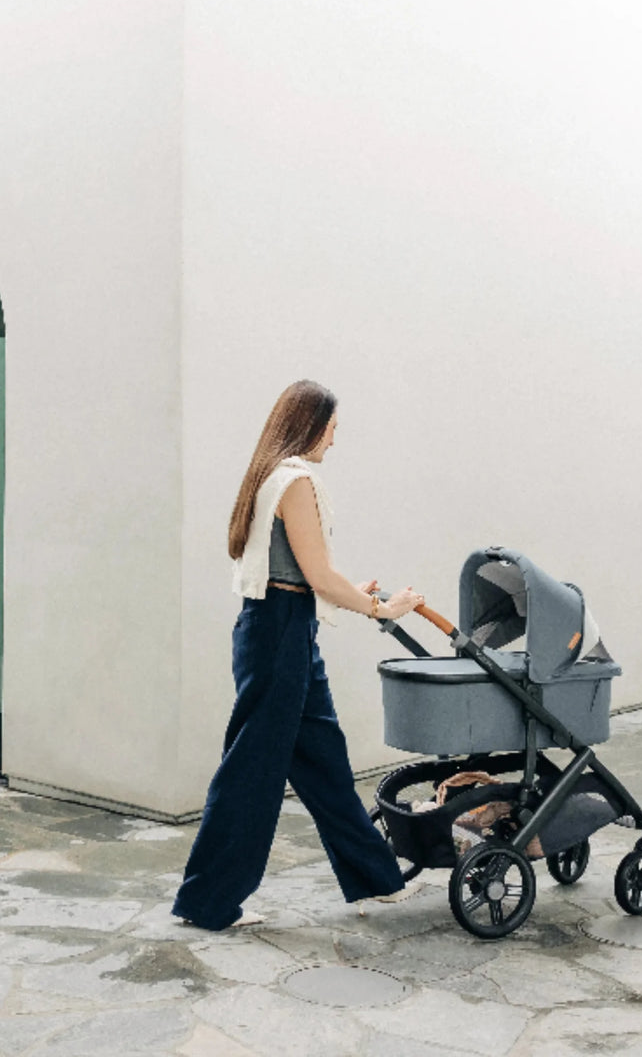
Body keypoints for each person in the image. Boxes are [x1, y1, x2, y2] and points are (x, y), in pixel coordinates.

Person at [172, 380, 424, 930]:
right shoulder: (296, 480)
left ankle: (375, 880)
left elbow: (299, 574)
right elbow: (319, 576)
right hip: (280, 633)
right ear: (311, 425)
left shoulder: (269, 475)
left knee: (324, 763)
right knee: (252, 773)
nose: (334, 441)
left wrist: (351, 591)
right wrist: (382, 608)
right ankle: (207, 901)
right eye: (332, 429)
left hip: (280, 627)